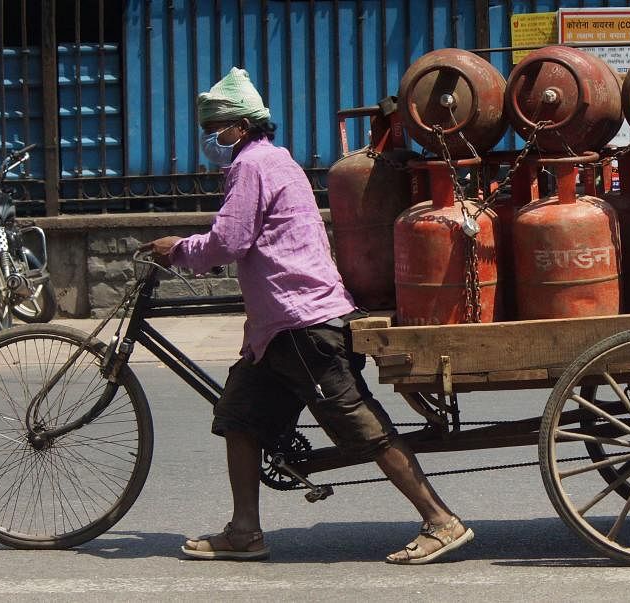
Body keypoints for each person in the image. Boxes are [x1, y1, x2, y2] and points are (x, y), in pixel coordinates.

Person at [141, 67, 473, 564]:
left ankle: (441, 520)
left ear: (238, 126)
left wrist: (178, 249)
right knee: (239, 419)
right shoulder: (274, 161)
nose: (210, 140)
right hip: (277, 330)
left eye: (215, 129)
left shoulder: (253, 166)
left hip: (302, 324)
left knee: (361, 426)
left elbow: (228, 241)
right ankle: (245, 531)